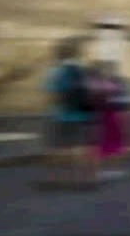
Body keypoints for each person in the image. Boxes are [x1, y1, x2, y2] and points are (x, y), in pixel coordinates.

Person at [41, 39, 98, 188]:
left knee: (58, 148)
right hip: (83, 115)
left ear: (58, 55)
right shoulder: (83, 71)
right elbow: (92, 92)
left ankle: (57, 179)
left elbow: (50, 94)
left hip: (61, 115)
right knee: (83, 148)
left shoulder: (54, 72)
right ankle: (86, 180)